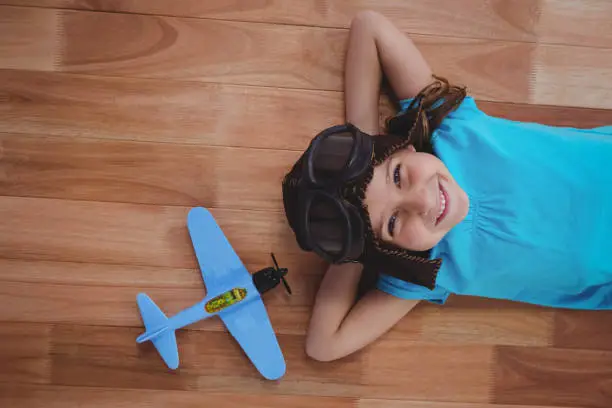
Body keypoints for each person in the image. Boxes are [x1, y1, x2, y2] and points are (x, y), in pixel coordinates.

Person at [281, 10, 612, 362]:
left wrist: (365, 134)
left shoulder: (451, 129)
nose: (423, 201)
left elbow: (369, 26)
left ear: (402, 148)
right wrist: (357, 250)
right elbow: (323, 346)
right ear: (384, 249)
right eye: (392, 222)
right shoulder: (426, 271)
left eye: (397, 176)